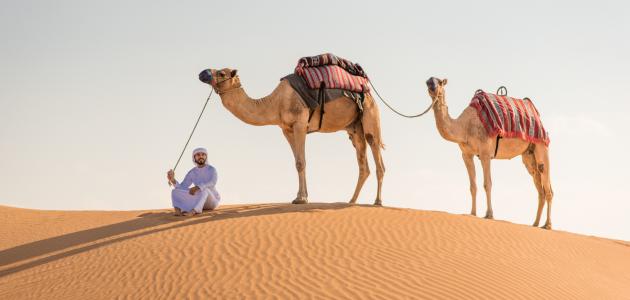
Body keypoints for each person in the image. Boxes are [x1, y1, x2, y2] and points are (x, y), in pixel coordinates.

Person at [167, 147, 221, 216]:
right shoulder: (192, 172)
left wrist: (198, 187)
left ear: (206, 157)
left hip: (212, 202)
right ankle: (178, 210)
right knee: (175, 191)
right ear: (194, 158)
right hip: (198, 201)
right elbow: (182, 187)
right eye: (198, 155)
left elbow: (212, 183)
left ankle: (194, 211)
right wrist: (173, 180)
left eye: (203, 154)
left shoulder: (212, 170)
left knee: (205, 190)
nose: (201, 156)